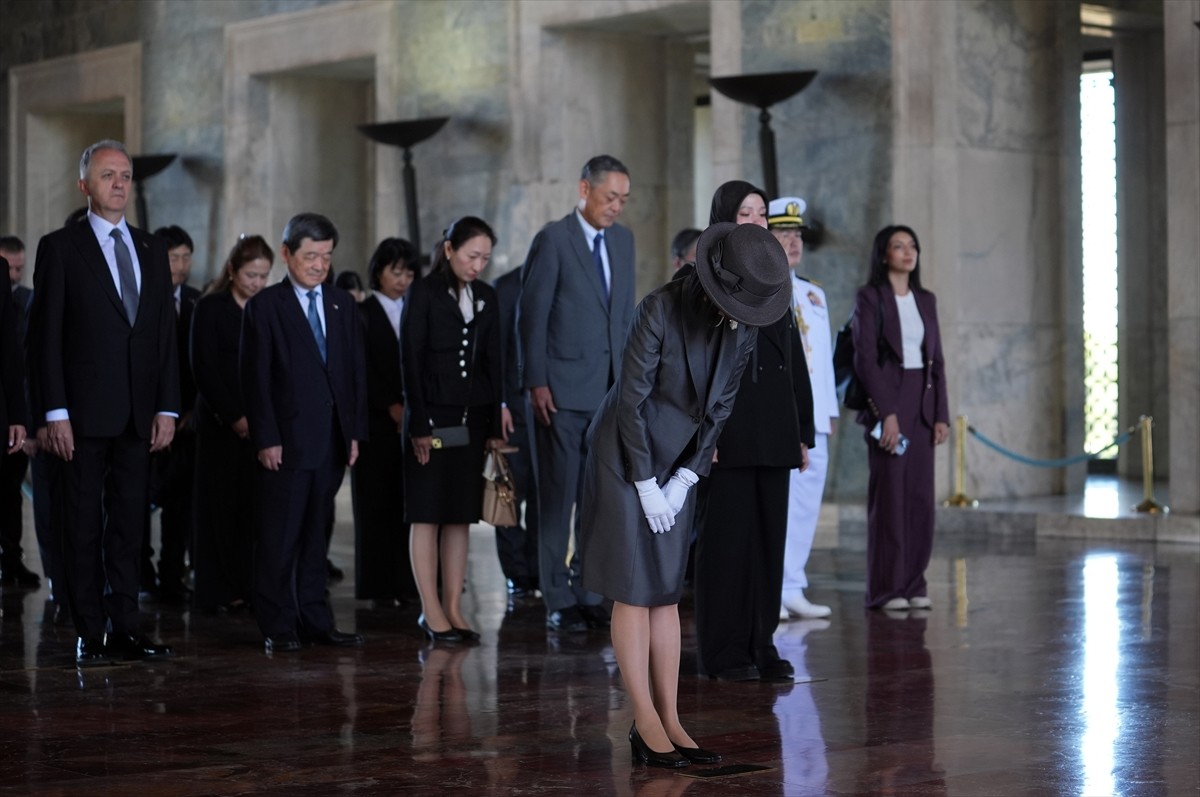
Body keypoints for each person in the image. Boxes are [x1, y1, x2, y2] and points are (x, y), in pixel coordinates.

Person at [579, 221, 791, 767]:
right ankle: (643, 720)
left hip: (677, 464)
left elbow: (719, 410)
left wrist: (685, 479)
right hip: (626, 453)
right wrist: (648, 483)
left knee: (667, 591)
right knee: (634, 587)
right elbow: (631, 403)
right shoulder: (660, 308)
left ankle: (671, 716)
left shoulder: (744, 323)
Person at [25, 139, 180, 665]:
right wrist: (54, 412)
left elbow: (164, 336)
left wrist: (168, 406)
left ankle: (126, 627)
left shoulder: (151, 249)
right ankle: (89, 628)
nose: (119, 183)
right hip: (82, 416)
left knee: (130, 526)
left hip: (140, 413)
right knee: (84, 523)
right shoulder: (60, 247)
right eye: (108, 174)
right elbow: (45, 337)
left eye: (126, 175)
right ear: (84, 186)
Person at [694, 180, 814, 683]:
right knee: (728, 545)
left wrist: (802, 430)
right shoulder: (707, 280)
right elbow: (697, 364)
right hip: (729, 433)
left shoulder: (776, 276)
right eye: (746, 213)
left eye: (762, 214)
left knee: (768, 542)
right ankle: (723, 651)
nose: (757, 222)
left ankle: (762, 643)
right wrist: (707, 435)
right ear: (724, 218)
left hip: (774, 431)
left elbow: (794, 362)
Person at [519, 154, 635, 633]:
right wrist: (536, 380)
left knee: (599, 500)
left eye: (624, 200)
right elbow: (532, 315)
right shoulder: (553, 239)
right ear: (584, 189)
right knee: (558, 498)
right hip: (562, 392)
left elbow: (625, 317)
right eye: (611, 198)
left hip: (610, 394)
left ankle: (588, 590)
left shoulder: (624, 242)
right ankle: (557, 597)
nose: (617, 208)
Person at [240, 212, 367, 652]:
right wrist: (266, 438)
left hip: (331, 441)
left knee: (317, 535)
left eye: (326, 257)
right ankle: (277, 623)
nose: (319, 265)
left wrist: (353, 433)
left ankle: (316, 618)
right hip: (286, 443)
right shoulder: (265, 307)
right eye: (310, 256)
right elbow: (255, 380)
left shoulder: (341, 303)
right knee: (280, 537)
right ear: (287, 254)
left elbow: (353, 373)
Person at [402, 217, 509, 643]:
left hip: (473, 418)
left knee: (461, 516)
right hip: (433, 418)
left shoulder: (486, 295)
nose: (477, 265)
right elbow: (410, 360)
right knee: (427, 513)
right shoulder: (424, 293)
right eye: (471, 256)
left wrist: (497, 414)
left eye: (484, 257)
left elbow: (494, 359)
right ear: (449, 250)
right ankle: (430, 608)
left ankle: (452, 605)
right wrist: (419, 424)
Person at [853, 225, 949, 610]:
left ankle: (913, 584)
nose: (908, 252)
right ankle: (887, 588)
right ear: (883, 254)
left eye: (912, 245)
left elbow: (937, 361)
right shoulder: (870, 297)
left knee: (920, 498)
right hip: (888, 401)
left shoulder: (926, 299)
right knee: (890, 496)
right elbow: (865, 360)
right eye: (898, 246)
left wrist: (941, 413)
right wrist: (888, 413)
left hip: (922, 403)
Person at [190, 234, 272, 614]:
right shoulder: (210, 309)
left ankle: (248, 584)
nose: (257, 283)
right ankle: (216, 588)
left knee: (252, 509)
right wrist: (235, 416)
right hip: (220, 423)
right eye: (251, 275)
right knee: (217, 506)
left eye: (263, 276)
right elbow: (204, 366)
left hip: (261, 425)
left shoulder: (267, 309)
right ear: (232, 271)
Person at [770, 197, 835, 621]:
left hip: (815, 415)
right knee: (779, 500)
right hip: (779, 413)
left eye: (797, 236)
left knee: (807, 501)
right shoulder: (762, 290)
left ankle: (793, 584)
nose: (793, 242)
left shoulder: (813, 294)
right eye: (783, 234)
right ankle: (771, 586)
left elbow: (822, 360)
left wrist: (827, 411)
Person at [351, 237, 419, 606]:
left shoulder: (414, 309)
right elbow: (360, 369)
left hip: (409, 422)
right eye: (396, 272)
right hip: (376, 424)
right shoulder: (362, 312)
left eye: (409, 272)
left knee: (405, 504)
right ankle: (376, 586)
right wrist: (389, 405)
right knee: (375, 504)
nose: (403, 279)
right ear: (379, 271)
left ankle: (406, 583)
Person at [141, 224, 200, 604]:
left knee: (181, 505)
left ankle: (173, 573)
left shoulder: (198, 301)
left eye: (185, 257)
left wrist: (193, 411)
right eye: (172, 257)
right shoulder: (142, 297)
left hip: (191, 422)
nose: (179, 266)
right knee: (140, 501)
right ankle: (141, 573)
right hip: (147, 421)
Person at [492, 264, 539, 599]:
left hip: (548, 415)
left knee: (543, 499)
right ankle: (515, 572)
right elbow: (494, 353)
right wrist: (500, 405)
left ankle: (537, 569)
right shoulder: (505, 287)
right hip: (511, 411)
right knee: (508, 497)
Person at [0, 236, 37, 588]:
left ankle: (10, 558)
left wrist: (21, 419)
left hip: (11, 412)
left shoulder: (26, 300)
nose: (14, 274)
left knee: (10, 491)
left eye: (19, 268)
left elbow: (20, 360)